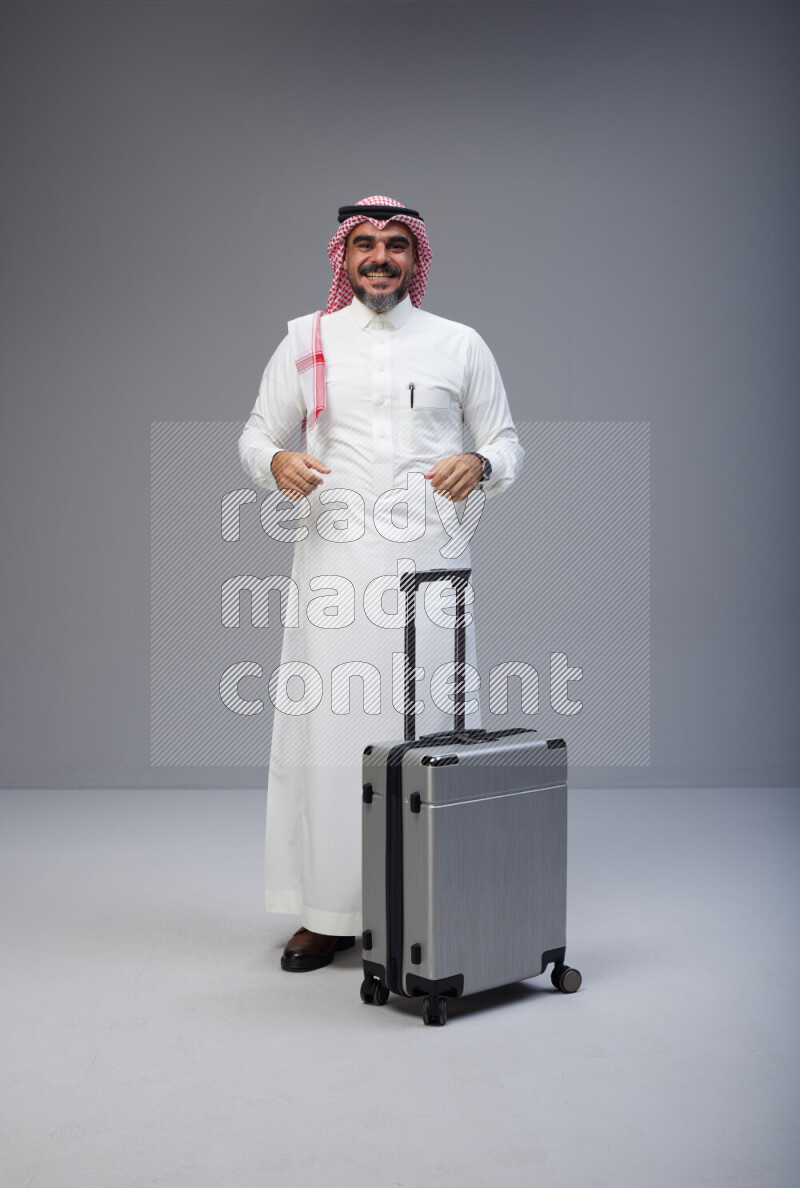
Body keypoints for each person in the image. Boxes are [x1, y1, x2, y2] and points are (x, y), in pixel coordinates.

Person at [238, 195, 524, 971]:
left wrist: (483, 464)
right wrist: (275, 463)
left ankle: (429, 901)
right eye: (365, 243)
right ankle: (330, 912)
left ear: (415, 256)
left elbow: (506, 442)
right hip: (335, 564)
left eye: (396, 244)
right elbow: (256, 435)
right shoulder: (308, 340)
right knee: (332, 736)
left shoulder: (458, 344)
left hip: (432, 566)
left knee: (430, 727)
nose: (380, 257)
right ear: (343, 255)